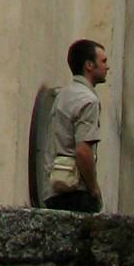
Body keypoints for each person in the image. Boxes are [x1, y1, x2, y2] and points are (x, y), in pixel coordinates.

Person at [44, 39, 108, 212]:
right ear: (89, 65)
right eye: (103, 61)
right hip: (76, 191)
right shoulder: (88, 100)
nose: (107, 67)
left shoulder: (62, 95)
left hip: (54, 189)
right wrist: (94, 189)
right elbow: (82, 150)